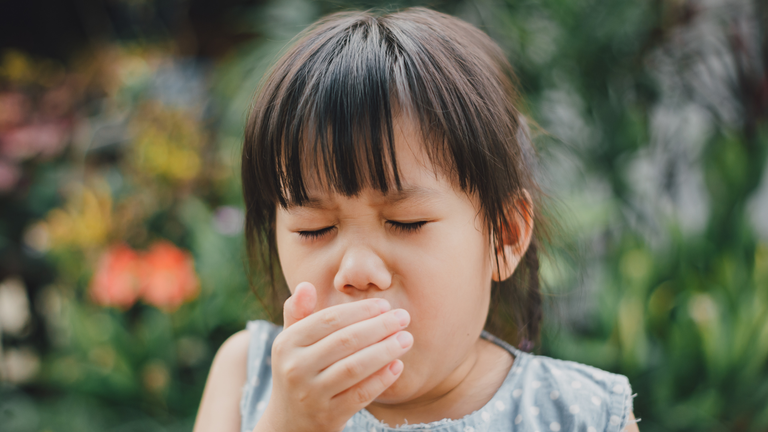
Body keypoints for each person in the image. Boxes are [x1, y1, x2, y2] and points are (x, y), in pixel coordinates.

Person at [194, 7, 639, 432]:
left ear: (504, 236)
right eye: (315, 229)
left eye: (406, 222)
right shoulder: (246, 373)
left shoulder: (582, 415)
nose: (357, 271)